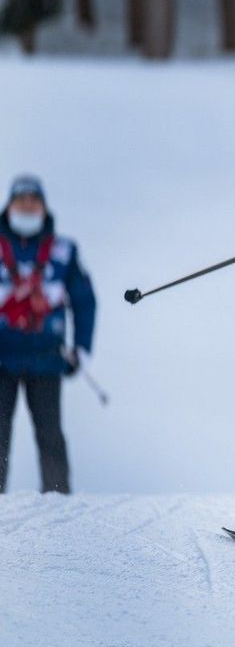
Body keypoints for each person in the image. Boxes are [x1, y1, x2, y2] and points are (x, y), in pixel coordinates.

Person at [0, 175, 96, 493]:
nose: (27, 205)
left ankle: (58, 506)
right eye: (21, 200)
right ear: (9, 206)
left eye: (33, 200)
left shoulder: (64, 251)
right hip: (2, 361)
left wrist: (81, 348)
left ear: (43, 207)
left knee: (50, 435)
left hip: (46, 361)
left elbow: (84, 301)